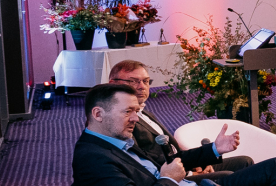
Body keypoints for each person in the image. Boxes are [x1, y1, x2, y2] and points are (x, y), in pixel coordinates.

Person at [71, 83, 276, 186]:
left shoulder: (117, 139)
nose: (135, 119)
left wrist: (214, 149)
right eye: (128, 111)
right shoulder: (93, 159)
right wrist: (169, 179)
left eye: (136, 111)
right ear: (98, 114)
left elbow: (171, 161)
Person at [107, 60, 251, 174]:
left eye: (146, 81)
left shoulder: (145, 112)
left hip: (183, 164)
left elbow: (172, 150)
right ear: (112, 84)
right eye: (133, 81)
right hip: (174, 179)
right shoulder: (121, 122)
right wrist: (190, 173)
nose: (142, 86)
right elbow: (147, 165)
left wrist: (203, 160)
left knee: (245, 162)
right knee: (232, 176)